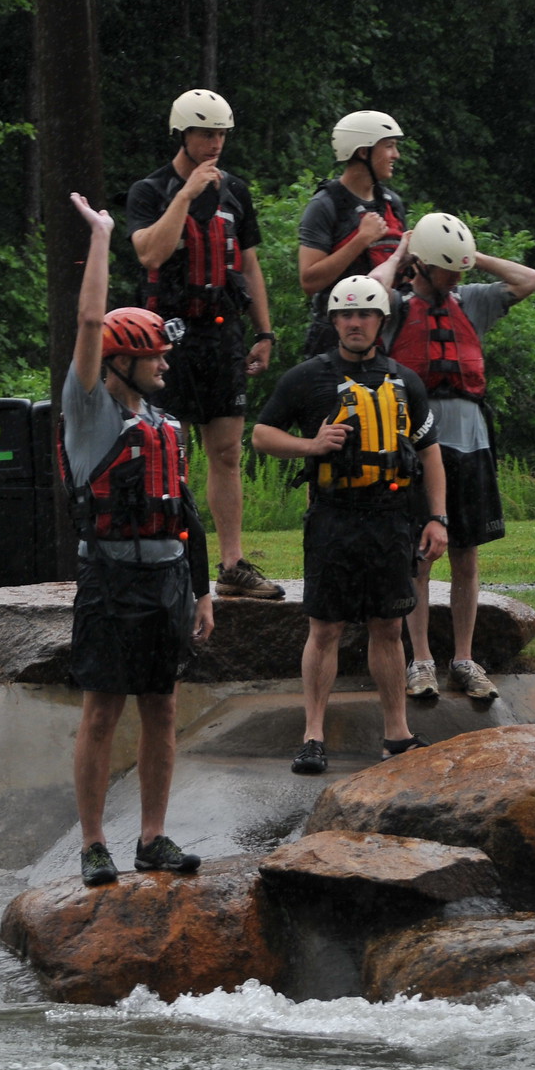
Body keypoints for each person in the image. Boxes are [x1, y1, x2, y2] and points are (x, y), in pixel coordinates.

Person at [58, 192, 214, 887]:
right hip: (111, 581)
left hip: (167, 581)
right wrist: (102, 236)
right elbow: (91, 318)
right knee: (101, 712)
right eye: (154, 354)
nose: (165, 364)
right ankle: (94, 843)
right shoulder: (90, 413)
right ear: (122, 362)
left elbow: (186, 511)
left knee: (162, 707)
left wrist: (203, 591)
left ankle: (152, 838)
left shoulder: (163, 423)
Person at [251, 275, 450, 775]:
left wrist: (437, 518)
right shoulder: (306, 378)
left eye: (364, 314)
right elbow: (260, 434)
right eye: (345, 314)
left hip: (390, 519)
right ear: (333, 321)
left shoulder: (406, 380)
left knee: (388, 625)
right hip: (333, 517)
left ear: (381, 320)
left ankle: (397, 735)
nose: (354, 322)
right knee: (326, 627)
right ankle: (313, 736)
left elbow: (430, 454)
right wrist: (310, 447)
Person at [371, 213, 535, 703]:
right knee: (421, 556)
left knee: (466, 555)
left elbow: (530, 279)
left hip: (473, 440)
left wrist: (473, 256)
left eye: (460, 270)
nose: (456, 279)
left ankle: (464, 660)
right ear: (422, 266)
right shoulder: (397, 307)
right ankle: (420, 660)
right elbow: (366, 288)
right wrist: (400, 254)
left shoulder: (473, 301)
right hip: (420, 445)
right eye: (447, 270)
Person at [126, 88, 284, 602]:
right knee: (167, 450)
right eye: (205, 133)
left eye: (220, 134)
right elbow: (151, 252)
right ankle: (165, 555)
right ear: (182, 135)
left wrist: (263, 332)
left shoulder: (237, 192)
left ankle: (233, 564)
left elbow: (251, 265)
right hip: (167, 340)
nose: (215, 143)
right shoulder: (150, 191)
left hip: (222, 335)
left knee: (225, 452)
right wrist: (186, 194)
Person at [298, 110, 409, 356]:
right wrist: (361, 240)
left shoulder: (392, 202)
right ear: (363, 151)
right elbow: (309, 281)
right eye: (389, 146)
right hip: (336, 337)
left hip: (387, 336)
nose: (396, 155)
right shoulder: (325, 205)